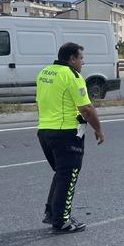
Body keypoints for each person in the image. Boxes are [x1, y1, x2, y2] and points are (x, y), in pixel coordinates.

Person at [37, 42, 105, 233]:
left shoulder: (45, 72)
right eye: (81, 58)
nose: (83, 62)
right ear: (71, 59)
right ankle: (61, 221)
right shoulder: (72, 76)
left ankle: (52, 213)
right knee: (69, 176)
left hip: (44, 131)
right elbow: (86, 108)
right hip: (66, 133)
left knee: (61, 173)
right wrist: (98, 129)